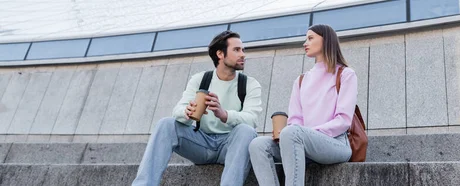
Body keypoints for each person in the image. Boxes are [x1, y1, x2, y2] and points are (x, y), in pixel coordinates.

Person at [132, 30, 262, 186]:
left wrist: (224, 114)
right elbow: (178, 110)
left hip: (231, 146)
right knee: (166, 124)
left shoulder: (250, 84)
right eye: (237, 50)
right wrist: (186, 112)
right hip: (201, 143)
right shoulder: (200, 79)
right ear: (220, 54)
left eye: (243, 50)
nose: (243, 54)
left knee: (247, 131)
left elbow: (252, 119)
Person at [248, 24, 358, 186]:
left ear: (326, 40)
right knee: (257, 145)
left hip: (335, 144)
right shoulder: (301, 80)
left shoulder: (346, 74)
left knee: (293, 133)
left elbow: (343, 121)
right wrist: (288, 135)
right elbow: (295, 120)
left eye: (310, 38)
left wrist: (305, 133)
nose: (305, 43)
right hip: (300, 142)